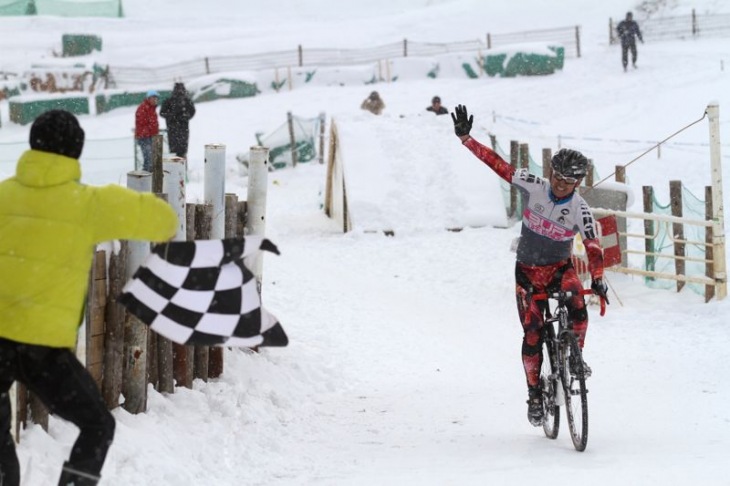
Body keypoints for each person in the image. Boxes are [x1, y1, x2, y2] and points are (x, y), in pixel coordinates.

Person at [0, 110, 178, 486]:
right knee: (97, 425)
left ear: (32, 145)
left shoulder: (3, 196)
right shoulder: (89, 204)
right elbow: (164, 221)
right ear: (76, 150)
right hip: (42, 349)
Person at [450, 104, 609, 427]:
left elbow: (593, 245)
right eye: (558, 177)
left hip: (559, 269)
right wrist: (467, 139)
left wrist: (599, 277)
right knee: (533, 334)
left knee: (579, 308)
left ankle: (574, 358)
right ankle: (535, 394)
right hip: (527, 272)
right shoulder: (534, 185)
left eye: (570, 181)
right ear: (550, 173)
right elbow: (500, 166)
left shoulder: (581, 209)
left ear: (579, 182)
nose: (561, 185)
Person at [160, 82, 196, 159]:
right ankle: (177, 168)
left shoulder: (186, 101)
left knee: (181, 152)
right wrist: (172, 116)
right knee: (175, 153)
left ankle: (182, 168)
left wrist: (185, 116)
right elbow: (162, 112)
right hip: (174, 129)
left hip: (181, 129)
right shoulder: (170, 101)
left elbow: (192, 111)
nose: (180, 91)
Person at [134, 89, 160, 171]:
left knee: (151, 160)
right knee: (149, 160)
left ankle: (149, 178)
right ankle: (146, 178)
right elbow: (142, 123)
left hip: (151, 137)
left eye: (156, 98)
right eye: (154, 98)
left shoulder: (151, 109)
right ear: (149, 98)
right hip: (145, 138)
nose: (156, 100)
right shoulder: (143, 108)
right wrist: (150, 132)